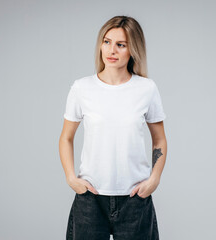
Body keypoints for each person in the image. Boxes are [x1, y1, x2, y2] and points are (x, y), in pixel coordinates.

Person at [59, 15, 168, 240]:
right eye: (107, 42)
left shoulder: (146, 89)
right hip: (90, 198)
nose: (112, 50)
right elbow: (66, 138)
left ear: (133, 50)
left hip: (135, 198)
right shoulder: (82, 88)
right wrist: (71, 178)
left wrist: (154, 179)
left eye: (121, 45)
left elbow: (159, 139)